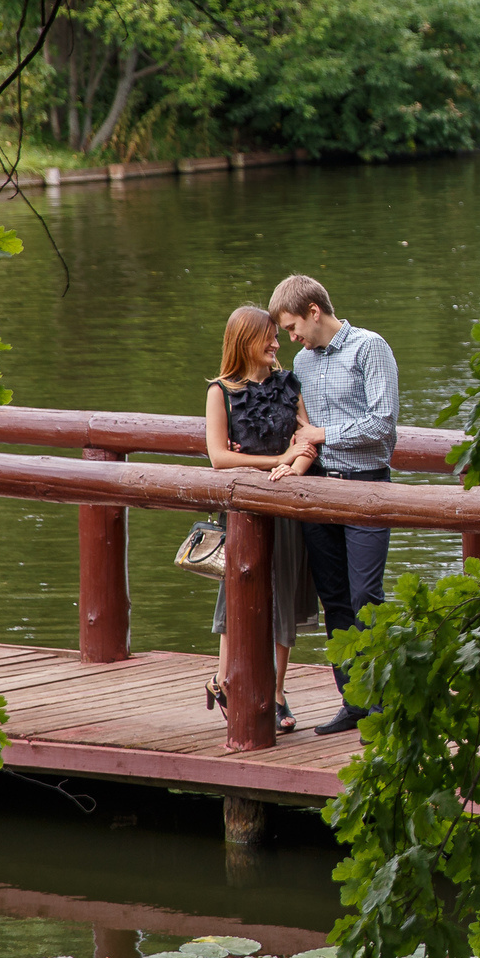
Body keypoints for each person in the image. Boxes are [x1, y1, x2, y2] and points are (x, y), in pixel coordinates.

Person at [271, 273, 400, 736]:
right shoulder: (303, 363)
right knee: (335, 599)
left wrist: (321, 434)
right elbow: (296, 425)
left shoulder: (370, 348)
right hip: (319, 487)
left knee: (367, 596)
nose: (290, 338)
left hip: (367, 487)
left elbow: (382, 424)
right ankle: (354, 704)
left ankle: (383, 703)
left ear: (313, 311)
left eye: (291, 327)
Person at [202, 305, 321, 741]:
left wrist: (296, 467)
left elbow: (307, 439)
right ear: (244, 340)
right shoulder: (221, 392)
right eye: (268, 336)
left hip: (287, 506)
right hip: (244, 510)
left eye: (277, 335)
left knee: (285, 595)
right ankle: (227, 679)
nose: (276, 343)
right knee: (238, 593)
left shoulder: (290, 385)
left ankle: (276, 689)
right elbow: (219, 457)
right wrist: (279, 460)